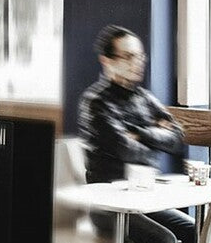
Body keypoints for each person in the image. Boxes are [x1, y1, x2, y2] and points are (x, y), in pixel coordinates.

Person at [78, 25, 194, 243]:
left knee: (192, 229)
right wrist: (156, 137)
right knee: (164, 239)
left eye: (141, 56)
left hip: (144, 198)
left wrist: (139, 133)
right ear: (107, 61)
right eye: (129, 56)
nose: (138, 62)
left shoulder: (144, 97)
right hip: (108, 204)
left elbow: (177, 137)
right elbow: (127, 150)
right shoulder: (96, 102)